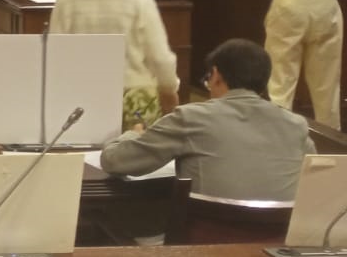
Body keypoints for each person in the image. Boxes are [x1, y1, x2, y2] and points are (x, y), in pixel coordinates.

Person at [99, 39, 314, 201]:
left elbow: (114, 160)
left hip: (205, 239)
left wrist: (133, 134)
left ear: (216, 74)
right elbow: (312, 181)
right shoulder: (296, 125)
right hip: (278, 242)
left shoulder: (190, 117)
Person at [51, 0, 180, 126]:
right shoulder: (140, 1)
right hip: (134, 98)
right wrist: (170, 90)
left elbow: (57, 52)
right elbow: (160, 58)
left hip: (82, 96)